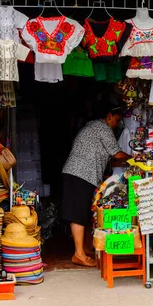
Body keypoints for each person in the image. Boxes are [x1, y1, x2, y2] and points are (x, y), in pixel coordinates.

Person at [61, 104, 130, 266]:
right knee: (78, 214)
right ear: (109, 116)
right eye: (117, 120)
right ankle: (78, 254)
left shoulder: (91, 125)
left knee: (83, 212)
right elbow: (117, 153)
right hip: (80, 173)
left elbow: (109, 156)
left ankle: (84, 248)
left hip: (79, 173)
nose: (117, 124)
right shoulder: (103, 128)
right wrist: (135, 158)